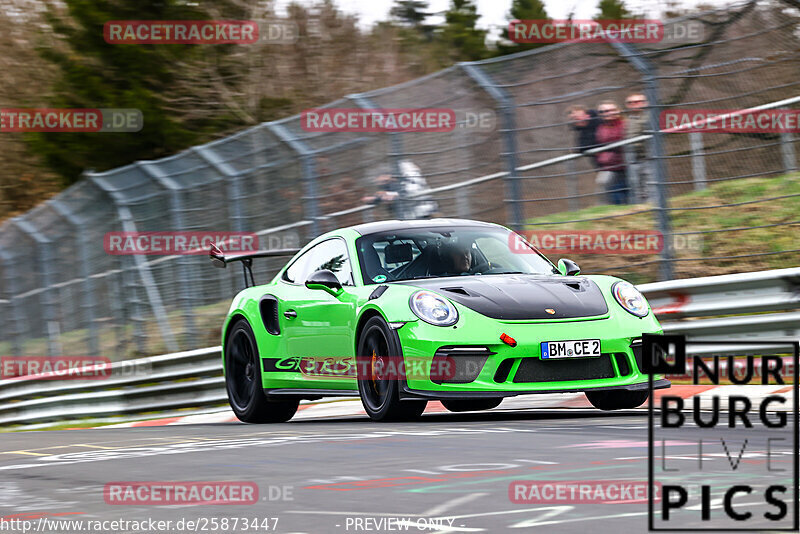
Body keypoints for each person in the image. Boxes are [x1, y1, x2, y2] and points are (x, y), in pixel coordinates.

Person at [362, 160, 438, 219]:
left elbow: (407, 193)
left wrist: (385, 196)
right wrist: (375, 199)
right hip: (408, 215)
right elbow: (389, 195)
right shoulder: (390, 185)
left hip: (423, 212)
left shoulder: (408, 179)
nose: (381, 183)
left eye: (383, 180)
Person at [595, 100, 630, 205]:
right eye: (604, 111)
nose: (608, 113)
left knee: (620, 191)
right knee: (604, 189)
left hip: (625, 164)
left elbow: (618, 140)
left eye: (612, 110)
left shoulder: (625, 124)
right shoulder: (601, 128)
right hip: (608, 165)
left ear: (618, 111)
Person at [624, 93, 653, 203]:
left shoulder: (650, 117)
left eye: (637, 102)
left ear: (645, 103)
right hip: (633, 159)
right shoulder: (627, 120)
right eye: (630, 103)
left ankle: (652, 207)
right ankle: (639, 209)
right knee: (636, 186)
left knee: (650, 185)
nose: (634, 105)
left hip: (648, 157)